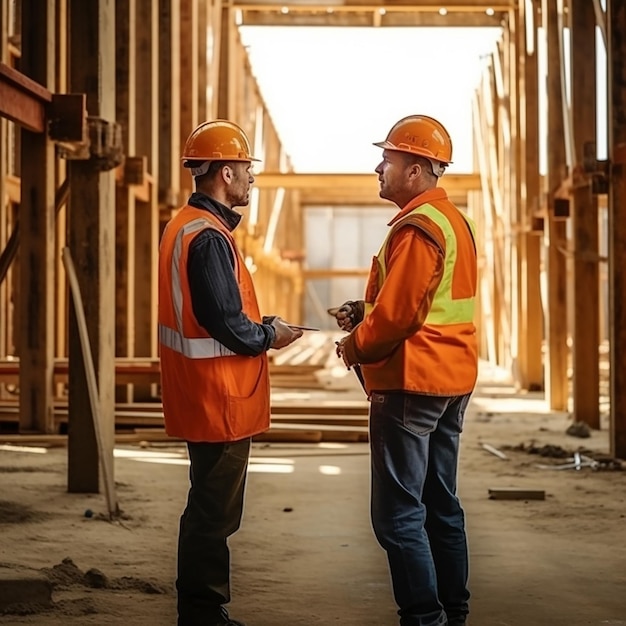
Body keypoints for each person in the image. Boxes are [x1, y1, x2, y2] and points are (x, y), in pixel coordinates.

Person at [332, 115, 478, 626]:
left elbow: (401, 316)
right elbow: (419, 303)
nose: (379, 167)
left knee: (398, 516)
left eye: (388, 160)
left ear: (415, 169)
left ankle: (425, 619)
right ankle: (452, 613)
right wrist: (363, 311)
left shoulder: (417, 228)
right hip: (449, 379)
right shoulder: (451, 221)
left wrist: (355, 346)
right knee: (441, 506)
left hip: (412, 381)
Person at [158, 119, 303, 626]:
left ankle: (200, 609)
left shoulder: (186, 227)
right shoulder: (209, 237)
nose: (251, 180)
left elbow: (214, 313)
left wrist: (260, 323)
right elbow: (225, 323)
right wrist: (269, 336)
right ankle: (202, 613)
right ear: (224, 172)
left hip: (200, 394)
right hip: (219, 396)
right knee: (213, 515)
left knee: (207, 508)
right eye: (246, 169)